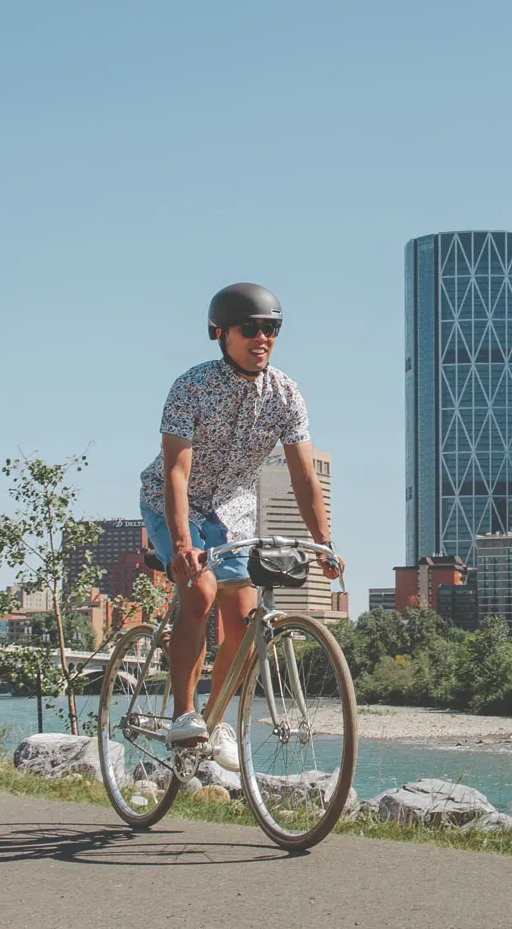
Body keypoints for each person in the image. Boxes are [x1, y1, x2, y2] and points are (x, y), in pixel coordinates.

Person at [137, 283, 340, 770]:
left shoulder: (286, 394)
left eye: (271, 328)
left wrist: (324, 543)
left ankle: (211, 723)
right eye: (250, 328)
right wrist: (183, 543)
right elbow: (175, 473)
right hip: (174, 504)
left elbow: (303, 475)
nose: (262, 337)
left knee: (247, 625)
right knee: (200, 591)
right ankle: (183, 713)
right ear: (220, 333)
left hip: (233, 511)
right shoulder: (191, 386)